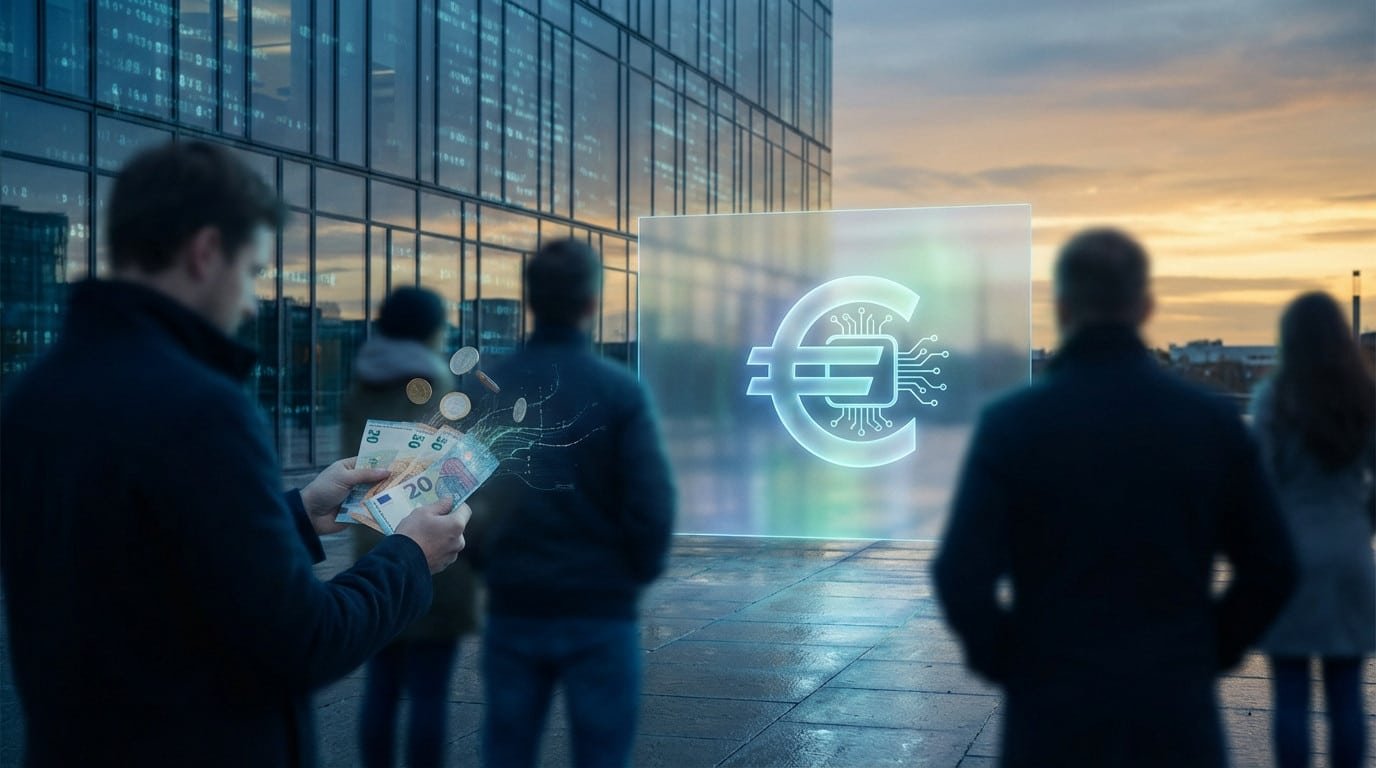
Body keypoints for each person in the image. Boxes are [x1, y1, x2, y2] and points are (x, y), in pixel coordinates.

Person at [0, 141, 468, 767]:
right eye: (251, 272)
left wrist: (297, 513)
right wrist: (412, 556)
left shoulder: (36, 393)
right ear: (205, 251)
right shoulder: (199, 409)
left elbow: (152, 560)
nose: (252, 303)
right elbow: (301, 640)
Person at [932, 228, 1297, 767]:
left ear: (1061, 307)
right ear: (1145, 306)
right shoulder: (1211, 422)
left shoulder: (1011, 424)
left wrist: (1013, 661)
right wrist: (1206, 649)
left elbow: (960, 573)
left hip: (1052, 713)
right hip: (1175, 711)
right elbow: (1273, 567)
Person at [467, 238, 675, 768]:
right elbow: (651, 505)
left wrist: (488, 563)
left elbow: (462, 492)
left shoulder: (493, 388)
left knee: (507, 751)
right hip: (600, 607)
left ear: (531, 300)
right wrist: (629, 575)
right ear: (591, 302)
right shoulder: (620, 389)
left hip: (515, 601)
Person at [342, 287, 479, 768]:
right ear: (433, 330)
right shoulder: (438, 389)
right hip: (432, 559)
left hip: (375, 549)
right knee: (428, 694)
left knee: (380, 688)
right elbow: (457, 479)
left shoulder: (362, 386)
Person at [1249, 292, 1375, 768]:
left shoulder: (1275, 398)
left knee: (1291, 693)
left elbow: (1255, 480)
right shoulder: (1366, 397)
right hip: (1350, 555)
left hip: (1292, 557)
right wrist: (1361, 521)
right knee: (1346, 694)